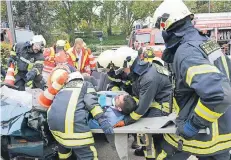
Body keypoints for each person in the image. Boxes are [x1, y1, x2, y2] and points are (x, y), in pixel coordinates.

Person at [152, 0, 231, 159]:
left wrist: (193, 125)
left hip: (203, 135)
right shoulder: (206, 42)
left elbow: (220, 95)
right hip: (221, 133)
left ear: (165, 25)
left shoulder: (187, 52)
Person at [112, 48, 173, 159]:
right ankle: (146, 149)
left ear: (128, 64)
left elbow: (142, 108)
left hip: (161, 108)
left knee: (144, 131)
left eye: (123, 69)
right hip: (153, 102)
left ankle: (150, 155)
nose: (124, 72)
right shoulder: (141, 71)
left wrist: (125, 122)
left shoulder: (148, 77)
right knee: (140, 128)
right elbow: (137, 94)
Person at [47, 71, 114, 160]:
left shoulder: (63, 89)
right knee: (89, 155)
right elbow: (91, 103)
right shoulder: (86, 85)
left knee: (64, 150)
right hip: (72, 126)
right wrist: (103, 120)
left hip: (53, 125)